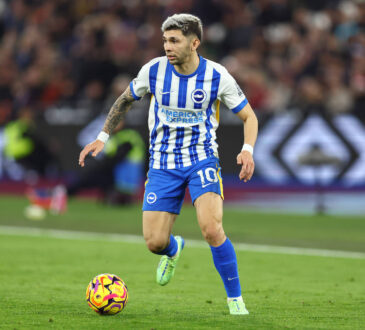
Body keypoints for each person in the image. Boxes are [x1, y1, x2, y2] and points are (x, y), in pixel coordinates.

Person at [79, 13, 258, 315]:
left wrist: (248, 149)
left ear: (195, 42)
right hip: (162, 164)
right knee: (154, 242)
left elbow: (249, 116)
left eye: (174, 40)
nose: (167, 46)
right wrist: (102, 136)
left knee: (212, 229)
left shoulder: (217, 76)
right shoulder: (154, 71)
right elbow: (124, 100)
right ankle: (173, 249)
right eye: (165, 40)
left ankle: (235, 299)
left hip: (202, 158)